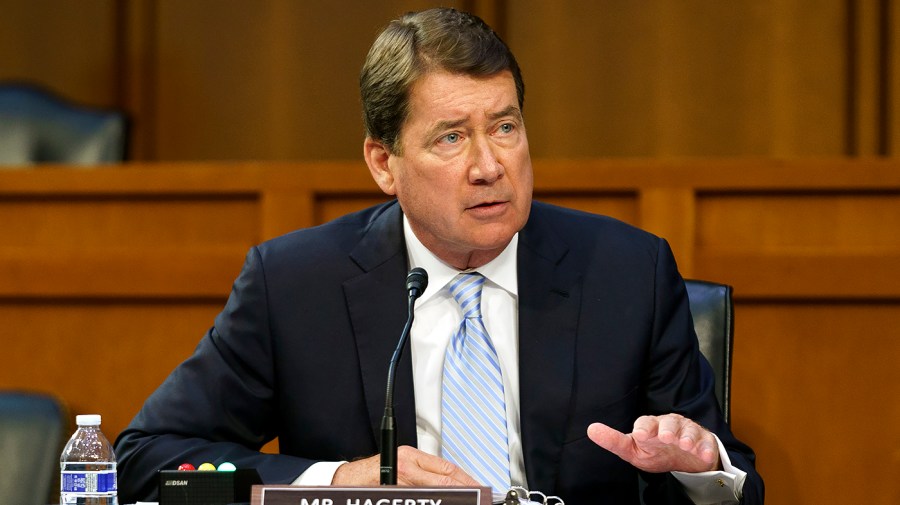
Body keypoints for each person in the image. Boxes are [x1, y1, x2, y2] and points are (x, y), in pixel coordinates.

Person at [115, 8, 763, 504]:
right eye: (451, 137)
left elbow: (737, 481)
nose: (489, 166)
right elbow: (145, 465)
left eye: (505, 127)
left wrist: (702, 464)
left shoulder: (629, 273)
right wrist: (334, 481)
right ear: (383, 162)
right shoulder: (294, 286)